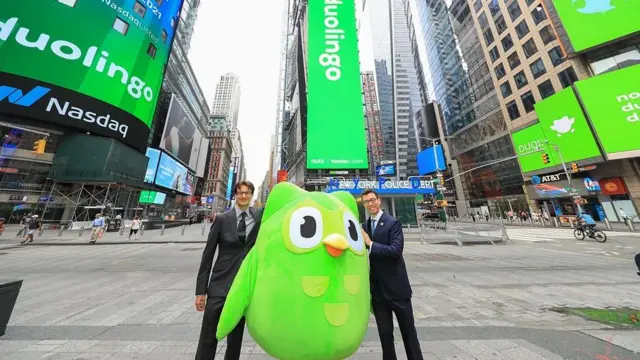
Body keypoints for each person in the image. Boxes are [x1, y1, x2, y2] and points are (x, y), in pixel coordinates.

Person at [194, 180, 264, 360]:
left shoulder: (258, 218)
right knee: (208, 336)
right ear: (235, 195)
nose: (243, 196)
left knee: (235, 340)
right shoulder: (222, 219)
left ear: (251, 195)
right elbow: (207, 255)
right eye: (240, 192)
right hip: (219, 285)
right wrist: (201, 291)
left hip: (242, 287)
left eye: (247, 193)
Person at [360, 188, 423, 360]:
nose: (370, 204)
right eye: (366, 202)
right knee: (385, 335)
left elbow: (396, 251)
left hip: (397, 289)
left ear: (379, 200)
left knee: (408, 332)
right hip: (379, 291)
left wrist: (370, 244)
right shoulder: (366, 225)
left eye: (372, 200)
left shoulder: (392, 223)